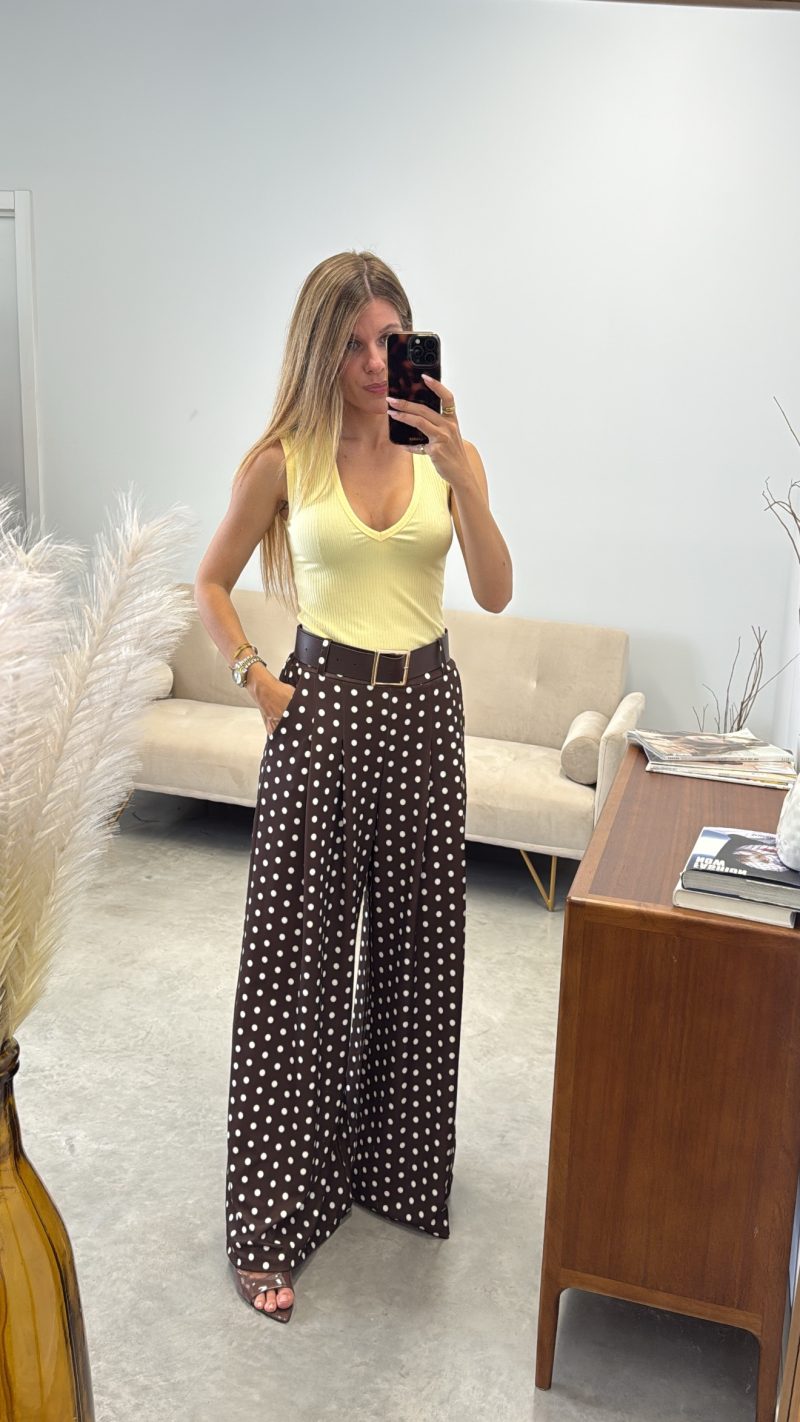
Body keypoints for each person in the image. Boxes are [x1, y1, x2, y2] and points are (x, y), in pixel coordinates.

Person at [194, 251, 513, 1323]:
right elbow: (210, 580)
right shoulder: (284, 458)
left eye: (391, 340)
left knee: (421, 958)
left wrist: (465, 475)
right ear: (320, 352)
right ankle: (270, 1218)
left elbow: (495, 590)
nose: (377, 363)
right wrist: (257, 682)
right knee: (299, 969)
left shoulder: (444, 455)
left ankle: (394, 1172)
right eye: (354, 344)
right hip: (320, 711)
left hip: (424, 715)